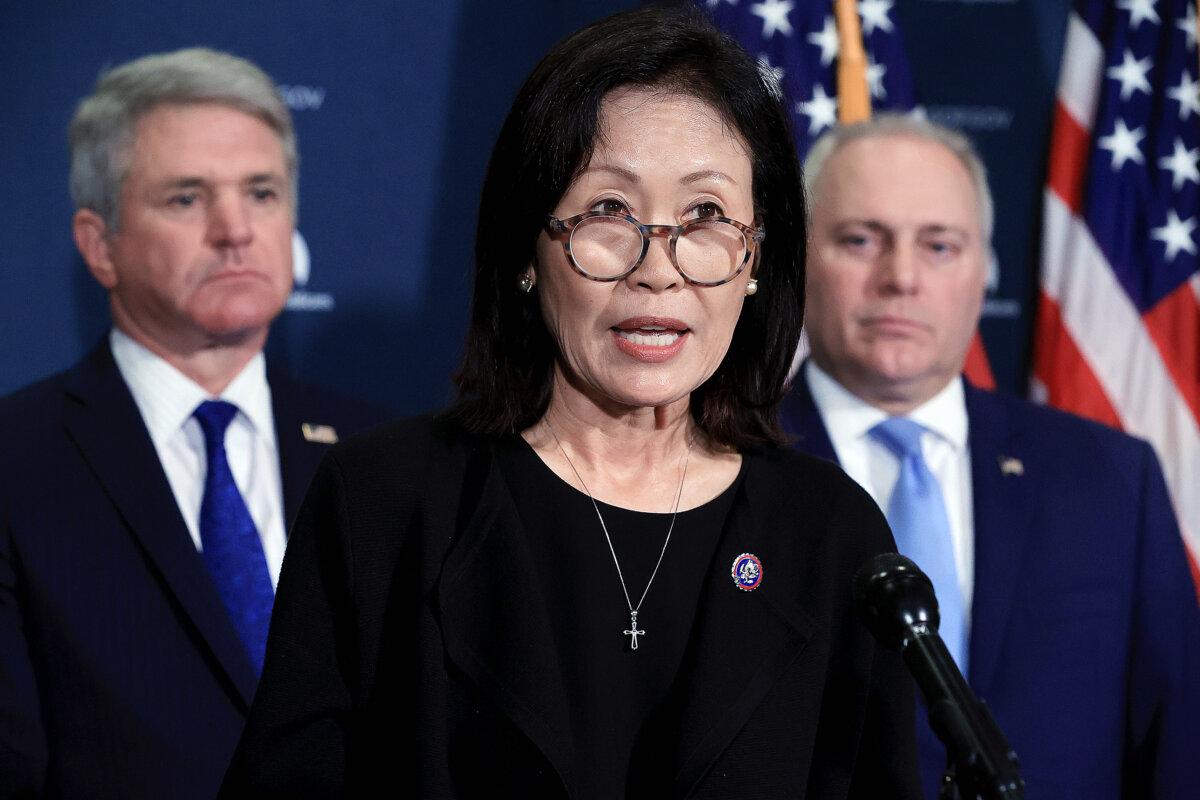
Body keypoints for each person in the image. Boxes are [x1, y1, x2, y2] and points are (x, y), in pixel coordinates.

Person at [221, 7, 921, 798]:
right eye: (609, 213)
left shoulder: (832, 537)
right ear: (528, 248)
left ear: (756, 259)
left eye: (706, 217)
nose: (658, 270)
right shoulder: (384, 506)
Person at [0, 48, 384, 799]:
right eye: (186, 198)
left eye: (263, 193)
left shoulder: (383, 452)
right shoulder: (16, 461)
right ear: (98, 245)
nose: (235, 230)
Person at [782, 114, 1200, 798]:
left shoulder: (1111, 480)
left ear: (987, 269)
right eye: (861, 240)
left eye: (940, 245)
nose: (902, 277)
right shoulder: (727, 469)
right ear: (798, 260)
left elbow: (1177, 754)